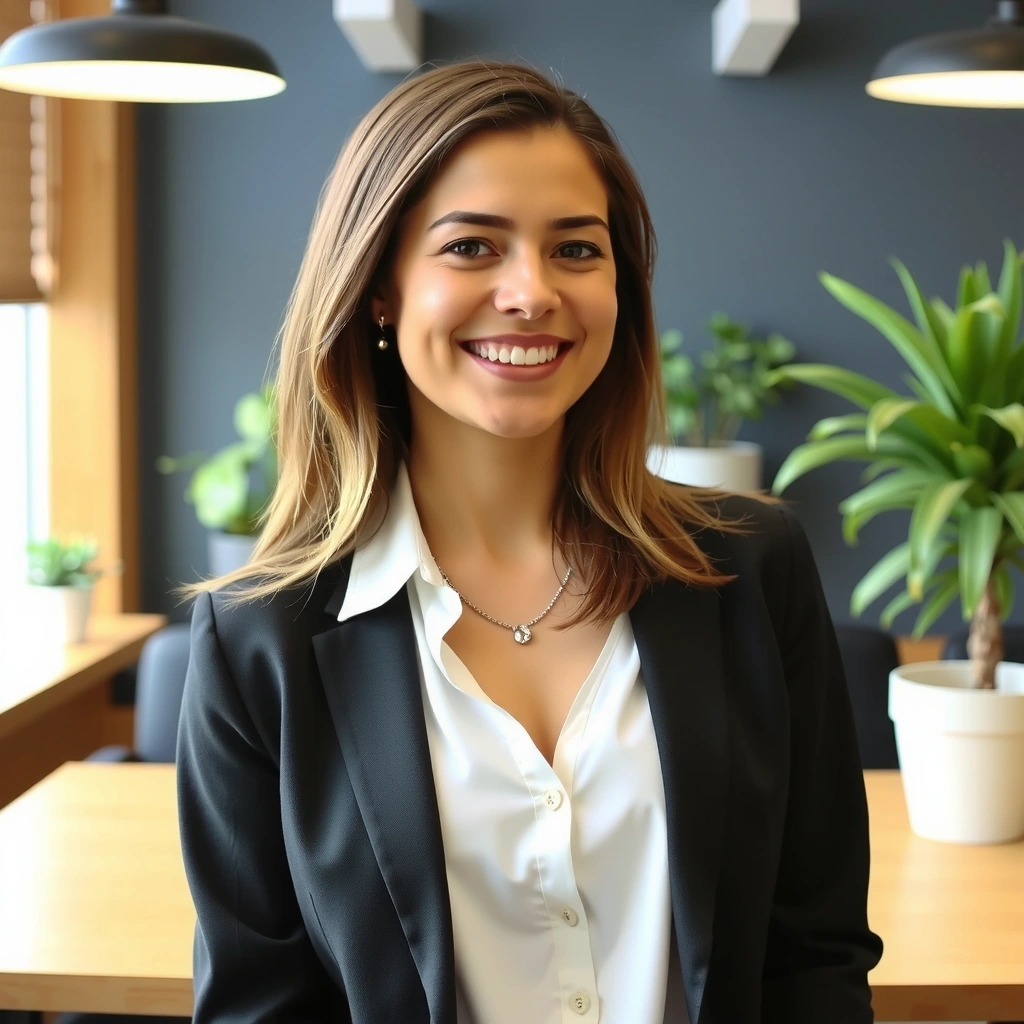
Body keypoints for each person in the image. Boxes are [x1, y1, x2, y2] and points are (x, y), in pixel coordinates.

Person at [175, 59, 883, 1024]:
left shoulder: (753, 567)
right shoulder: (259, 636)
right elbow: (260, 1005)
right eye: (472, 246)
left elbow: (816, 953)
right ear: (379, 287)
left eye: (577, 250)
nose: (531, 292)